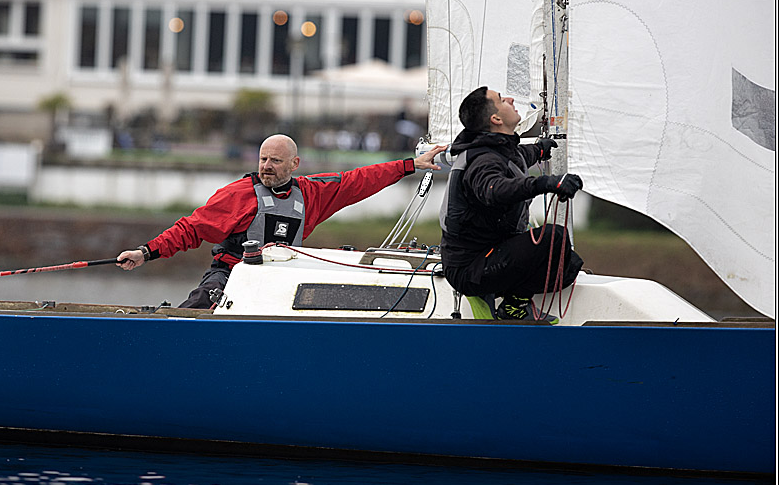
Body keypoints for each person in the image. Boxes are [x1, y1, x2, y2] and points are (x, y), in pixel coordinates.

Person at [117, 134, 446, 308]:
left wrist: (410, 165)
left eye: (275, 160)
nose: (267, 166)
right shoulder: (239, 194)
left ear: (294, 163)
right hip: (231, 275)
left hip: (281, 282)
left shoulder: (313, 193)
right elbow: (191, 228)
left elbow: (359, 179)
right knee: (205, 299)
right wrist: (145, 252)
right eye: (263, 159)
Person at [438, 86, 584, 321]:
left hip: (490, 254)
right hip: (471, 268)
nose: (511, 98)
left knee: (568, 266)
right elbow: (495, 189)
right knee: (554, 238)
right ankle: (512, 307)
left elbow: (517, 157)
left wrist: (539, 150)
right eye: (501, 99)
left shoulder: (498, 149)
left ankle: (499, 292)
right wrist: (546, 183)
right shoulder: (483, 161)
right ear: (496, 119)